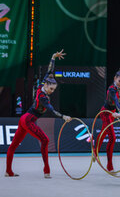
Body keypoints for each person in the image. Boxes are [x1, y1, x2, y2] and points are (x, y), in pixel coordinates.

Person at [6, 50, 71, 178]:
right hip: (28, 121)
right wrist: (63, 116)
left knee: (13, 146)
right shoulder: (42, 97)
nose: (52, 91)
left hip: (24, 119)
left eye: (54, 89)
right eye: (51, 89)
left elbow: (50, 71)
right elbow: (51, 110)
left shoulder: (43, 84)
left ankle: (8, 171)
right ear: (46, 85)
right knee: (45, 140)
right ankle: (46, 171)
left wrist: (53, 57)